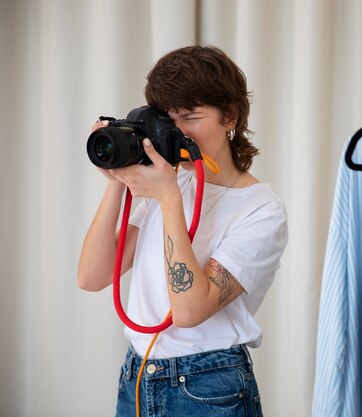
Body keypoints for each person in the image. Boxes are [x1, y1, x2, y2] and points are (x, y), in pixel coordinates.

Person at [77, 45, 288, 417]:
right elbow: (91, 277)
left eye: (190, 116)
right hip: (137, 377)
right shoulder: (171, 184)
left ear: (230, 117)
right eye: (168, 119)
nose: (176, 133)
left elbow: (190, 310)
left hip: (208, 387)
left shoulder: (262, 211)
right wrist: (116, 180)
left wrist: (169, 198)